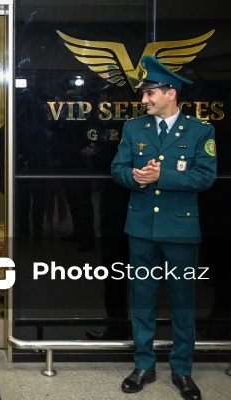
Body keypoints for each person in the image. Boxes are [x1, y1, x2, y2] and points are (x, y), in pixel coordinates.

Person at [111, 56, 217, 400]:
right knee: (142, 298)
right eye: (144, 94)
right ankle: (144, 365)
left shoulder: (201, 130)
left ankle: (182, 370)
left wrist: (162, 176)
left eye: (150, 93)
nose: (144, 100)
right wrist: (136, 178)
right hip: (141, 227)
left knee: (182, 300)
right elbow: (118, 167)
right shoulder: (134, 128)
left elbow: (205, 177)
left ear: (170, 93)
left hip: (180, 230)